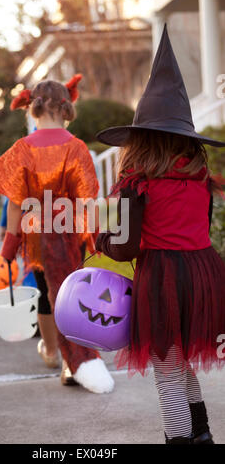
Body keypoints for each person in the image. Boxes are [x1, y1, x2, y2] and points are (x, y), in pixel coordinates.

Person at [95, 25, 225, 443]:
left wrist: (101, 240)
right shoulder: (200, 177)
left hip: (164, 281)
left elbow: (126, 246)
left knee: (167, 371)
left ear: (139, 138)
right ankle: (201, 434)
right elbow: (199, 229)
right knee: (182, 361)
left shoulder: (139, 182)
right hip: (205, 277)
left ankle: (181, 439)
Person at [0, 74, 114, 394]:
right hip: (69, 233)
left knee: (45, 293)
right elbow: (87, 200)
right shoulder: (77, 147)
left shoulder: (22, 148)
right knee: (71, 294)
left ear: (32, 109)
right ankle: (74, 361)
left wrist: (8, 247)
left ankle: (53, 351)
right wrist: (93, 236)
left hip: (37, 236)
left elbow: (15, 205)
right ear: (65, 108)